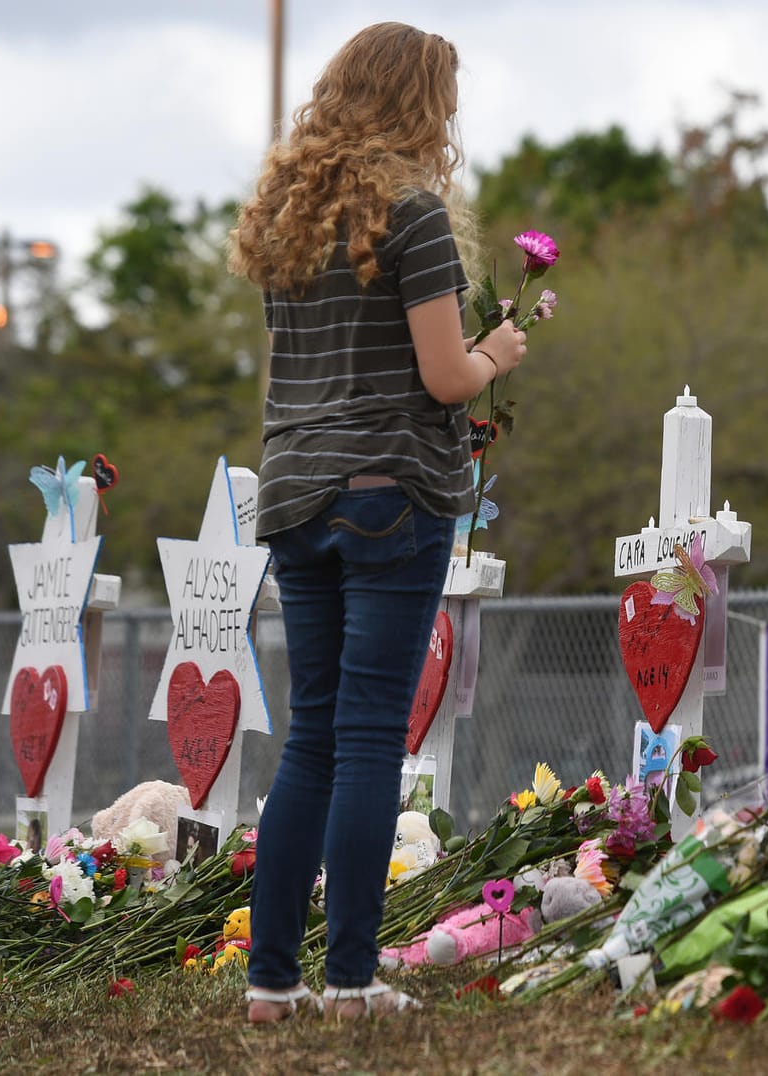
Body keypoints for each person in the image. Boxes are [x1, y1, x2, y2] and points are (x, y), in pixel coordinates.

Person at [227, 22, 526, 1022]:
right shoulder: (412, 213)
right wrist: (499, 354)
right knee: (367, 741)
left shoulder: (286, 218)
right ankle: (353, 978)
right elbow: (445, 375)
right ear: (421, 102)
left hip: (293, 491)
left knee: (311, 734)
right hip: (388, 491)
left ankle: (272, 981)